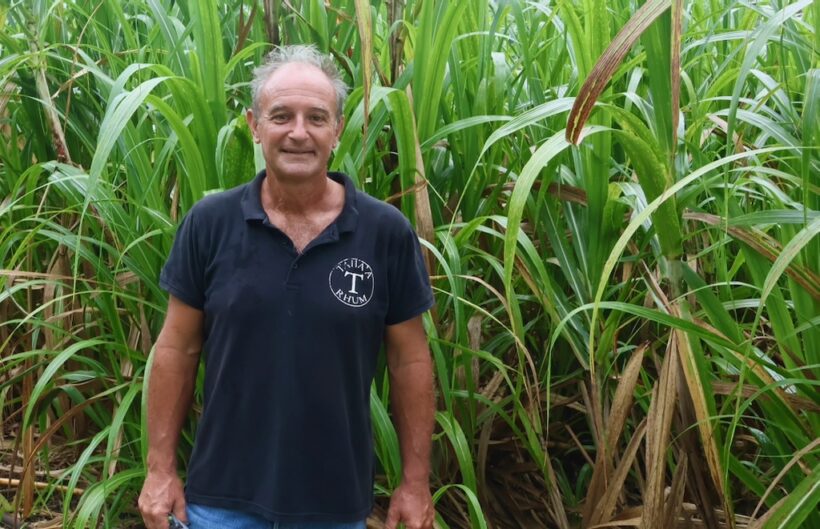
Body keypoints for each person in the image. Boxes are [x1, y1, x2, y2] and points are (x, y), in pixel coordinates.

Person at [138, 44, 436, 529]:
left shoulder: (385, 233)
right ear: (254, 125)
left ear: (337, 130)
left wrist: (415, 482)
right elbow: (176, 348)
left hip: (335, 505)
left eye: (316, 117)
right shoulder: (210, 223)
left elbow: (410, 361)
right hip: (220, 501)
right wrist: (159, 469)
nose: (299, 132)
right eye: (281, 116)